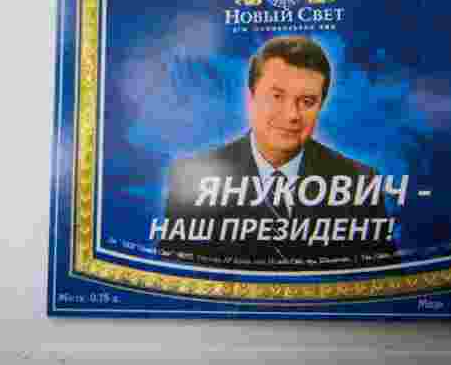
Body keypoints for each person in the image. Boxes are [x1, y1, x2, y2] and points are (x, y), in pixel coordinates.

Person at [160, 35, 395, 270]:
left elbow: (382, 282)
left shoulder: (361, 182)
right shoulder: (190, 178)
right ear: (250, 98)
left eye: (307, 101)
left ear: (320, 106)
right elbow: (176, 280)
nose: (292, 114)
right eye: (276, 96)